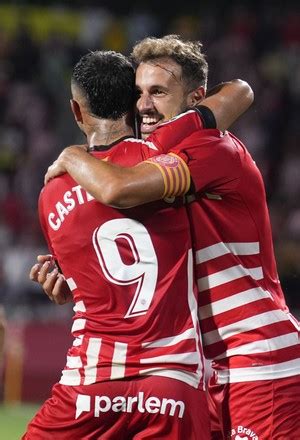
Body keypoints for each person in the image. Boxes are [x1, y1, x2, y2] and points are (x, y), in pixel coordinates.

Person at [41, 35, 300, 439]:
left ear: (196, 98)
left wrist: (75, 156)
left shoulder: (212, 149)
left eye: (158, 92)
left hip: (256, 357)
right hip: (205, 369)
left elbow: (116, 190)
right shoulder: (149, 159)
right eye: (139, 92)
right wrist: (75, 278)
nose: (144, 105)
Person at [24, 48, 236, 440]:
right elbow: (237, 94)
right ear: (136, 104)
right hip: (173, 382)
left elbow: (91, 272)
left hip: (91, 384)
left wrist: (67, 284)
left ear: (76, 112)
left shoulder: (52, 192)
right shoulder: (168, 157)